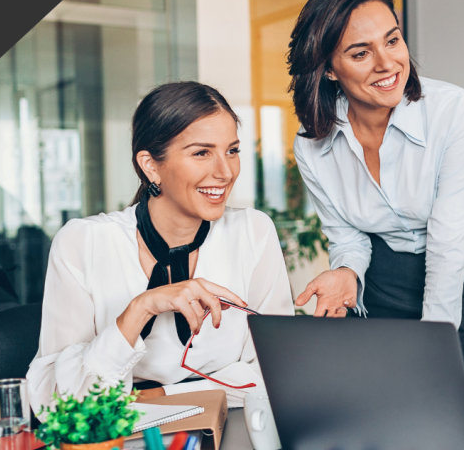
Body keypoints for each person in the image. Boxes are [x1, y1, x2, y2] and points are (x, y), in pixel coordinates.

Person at [27, 82, 295, 411]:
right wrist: (140, 309)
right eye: (202, 153)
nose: (225, 172)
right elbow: (55, 401)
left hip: (232, 432)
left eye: (232, 150)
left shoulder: (253, 231)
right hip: (120, 442)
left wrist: (155, 398)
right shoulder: (83, 243)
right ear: (151, 165)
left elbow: (277, 376)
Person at [288, 0, 464, 373]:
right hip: (385, 274)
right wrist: (346, 271)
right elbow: (347, 236)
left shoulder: (456, 112)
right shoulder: (312, 146)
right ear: (330, 70)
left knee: (457, 398)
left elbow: (448, 240)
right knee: (386, 394)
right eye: (360, 53)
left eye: (392, 40)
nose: (387, 63)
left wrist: (433, 343)